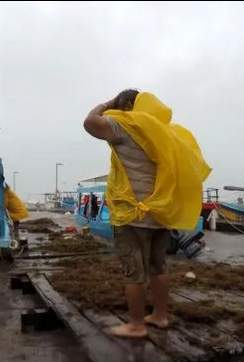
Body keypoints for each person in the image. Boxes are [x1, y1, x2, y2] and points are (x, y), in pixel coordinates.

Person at [84, 89, 210, 339]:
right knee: (158, 267)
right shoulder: (167, 132)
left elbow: (89, 123)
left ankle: (136, 324)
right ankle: (160, 316)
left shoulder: (126, 125)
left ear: (128, 106)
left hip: (133, 214)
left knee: (134, 271)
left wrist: (107, 103)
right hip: (160, 212)